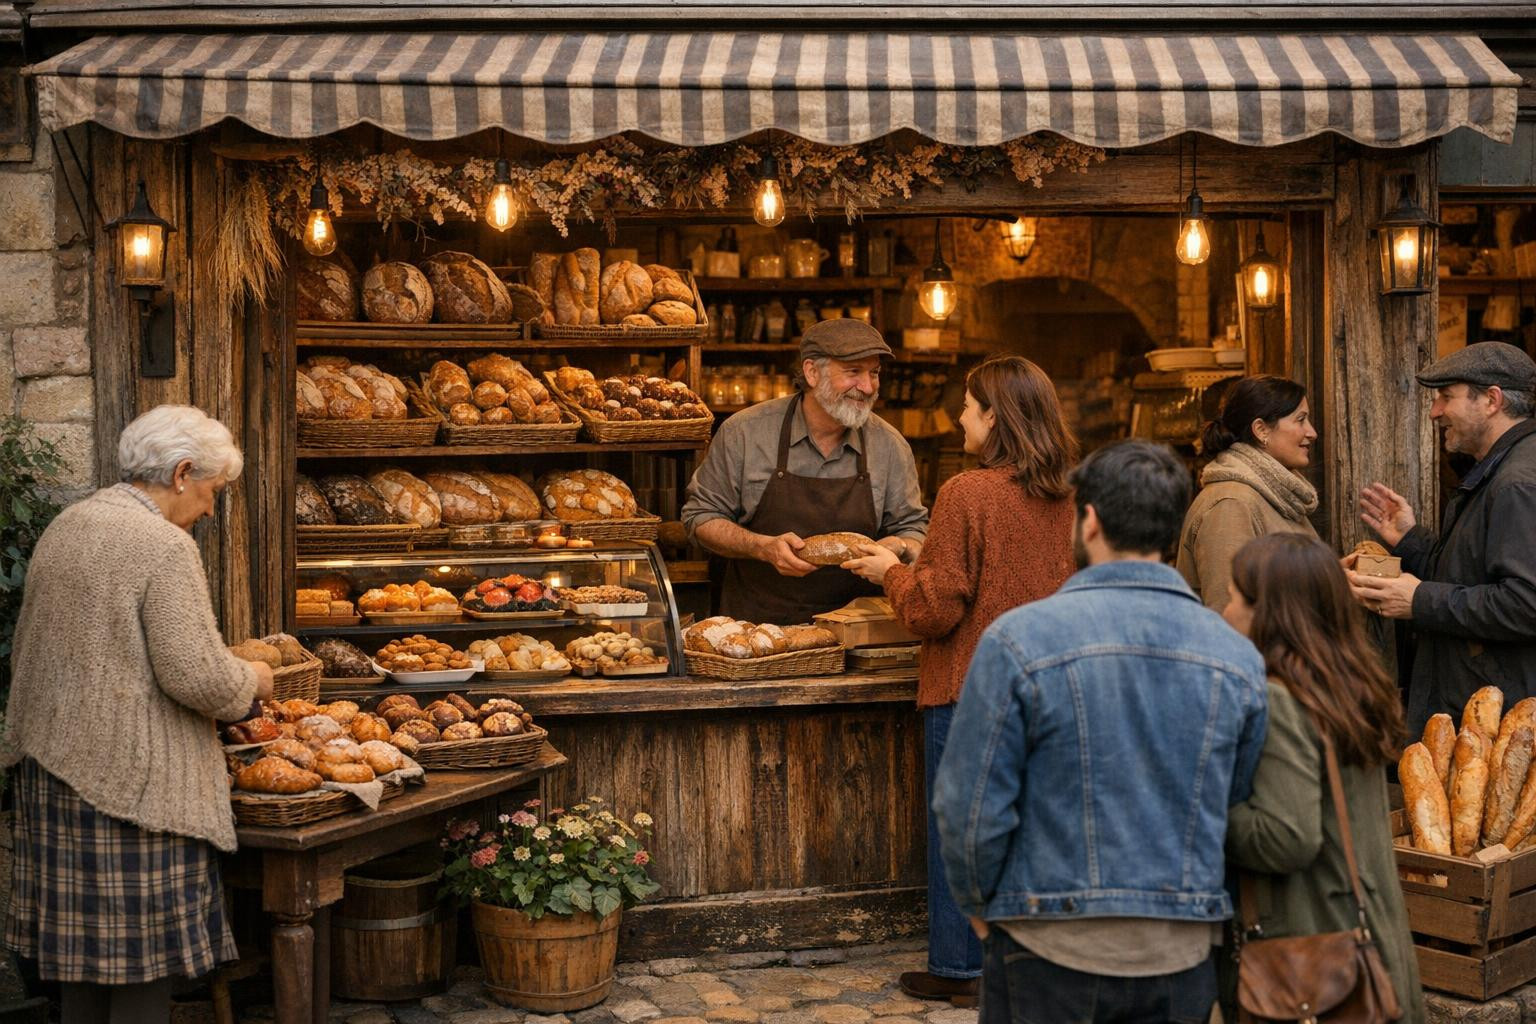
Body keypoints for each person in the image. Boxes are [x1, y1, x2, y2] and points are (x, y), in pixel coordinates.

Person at [932, 440, 1268, 1024]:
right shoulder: (1234, 656)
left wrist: (981, 907)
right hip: (1180, 946)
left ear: (1088, 521)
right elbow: (1234, 800)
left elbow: (968, 806)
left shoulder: (1018, 641)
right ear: (1172, 529)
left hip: (1047, 941)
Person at [2, 405, 273, 1022]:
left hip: (54, 772)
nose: (208, 510)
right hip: (132, 789)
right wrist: (253, 679)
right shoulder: (161, 544)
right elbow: (197, 677)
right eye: (211, 493)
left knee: (81, 973)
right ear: (181, 474)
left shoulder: (69, 524)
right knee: (139, 978)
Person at [843, 356, 1077, 1007]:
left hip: (969, 688)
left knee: (964, 832)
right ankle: (1030, 958)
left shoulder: (965, 492)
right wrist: (924, 556)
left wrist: (889, 570)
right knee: (1032, 827)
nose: (958, 417)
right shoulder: (1068, 493)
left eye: (969, 406)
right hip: (1049, 685)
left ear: (995, 416)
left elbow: (932, 611)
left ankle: (957, 967)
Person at [1222, 533, 1425, 1023]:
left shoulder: (1283, 700)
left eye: (1234, 599)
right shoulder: (1350, 686)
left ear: (1269, 613)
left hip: (1318, 965)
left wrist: (1204, 811)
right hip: (1373, 945)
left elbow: (1287, 837)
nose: (1225, 613)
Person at [681, 319, 929, 623]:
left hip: (856, 633)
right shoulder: (745, 433)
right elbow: (700, 518)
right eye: (853, 372)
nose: (867, 387)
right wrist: (762, 547)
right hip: (758, 632)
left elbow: (915, 529)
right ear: (812, 372)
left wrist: (901, 545)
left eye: (874, 373)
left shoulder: (889, 446)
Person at [1350, 342, 1536, 734]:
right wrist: (1410, 539)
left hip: (1495, 723)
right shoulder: (1500, 470)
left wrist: (1418, 600)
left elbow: (1525, 604)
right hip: (1481, 712)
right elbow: (1471, 576)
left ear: (1491, 400)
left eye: (1446, 397)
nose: (1435, 412)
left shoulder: (1516, 483)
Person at [1177, 375, 1319, 612]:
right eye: (1301, 420)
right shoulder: (1230, 504)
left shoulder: (1277, 493)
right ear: (1261, 429)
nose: (1312, 432)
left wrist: (1330, 577)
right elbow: (1229, 615)